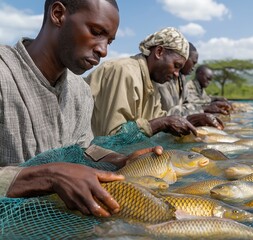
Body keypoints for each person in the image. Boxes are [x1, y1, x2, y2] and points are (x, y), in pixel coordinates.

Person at [0, 0, 162, 218]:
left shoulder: (81, 92)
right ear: (58, 14)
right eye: (96, 32)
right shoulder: (4, 75)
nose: (103, 50)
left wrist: (119, 160)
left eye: (109, 41)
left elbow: (84, 149)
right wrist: (49, 176)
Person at [87, 27, 224, 138]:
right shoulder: (126, 72)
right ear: (159, 52)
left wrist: (194, 119)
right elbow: (112, 137)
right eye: (176, 65)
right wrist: (163, 123)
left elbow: (160, 118)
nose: (177, 73)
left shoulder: (152, 83)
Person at [156, 42, 231, 116]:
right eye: (193, 62)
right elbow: (168, 114)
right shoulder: (163, 79)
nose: (194, 67)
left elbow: (188, 104)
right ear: (184, 58)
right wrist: (204, 108)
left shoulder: (181, 79)